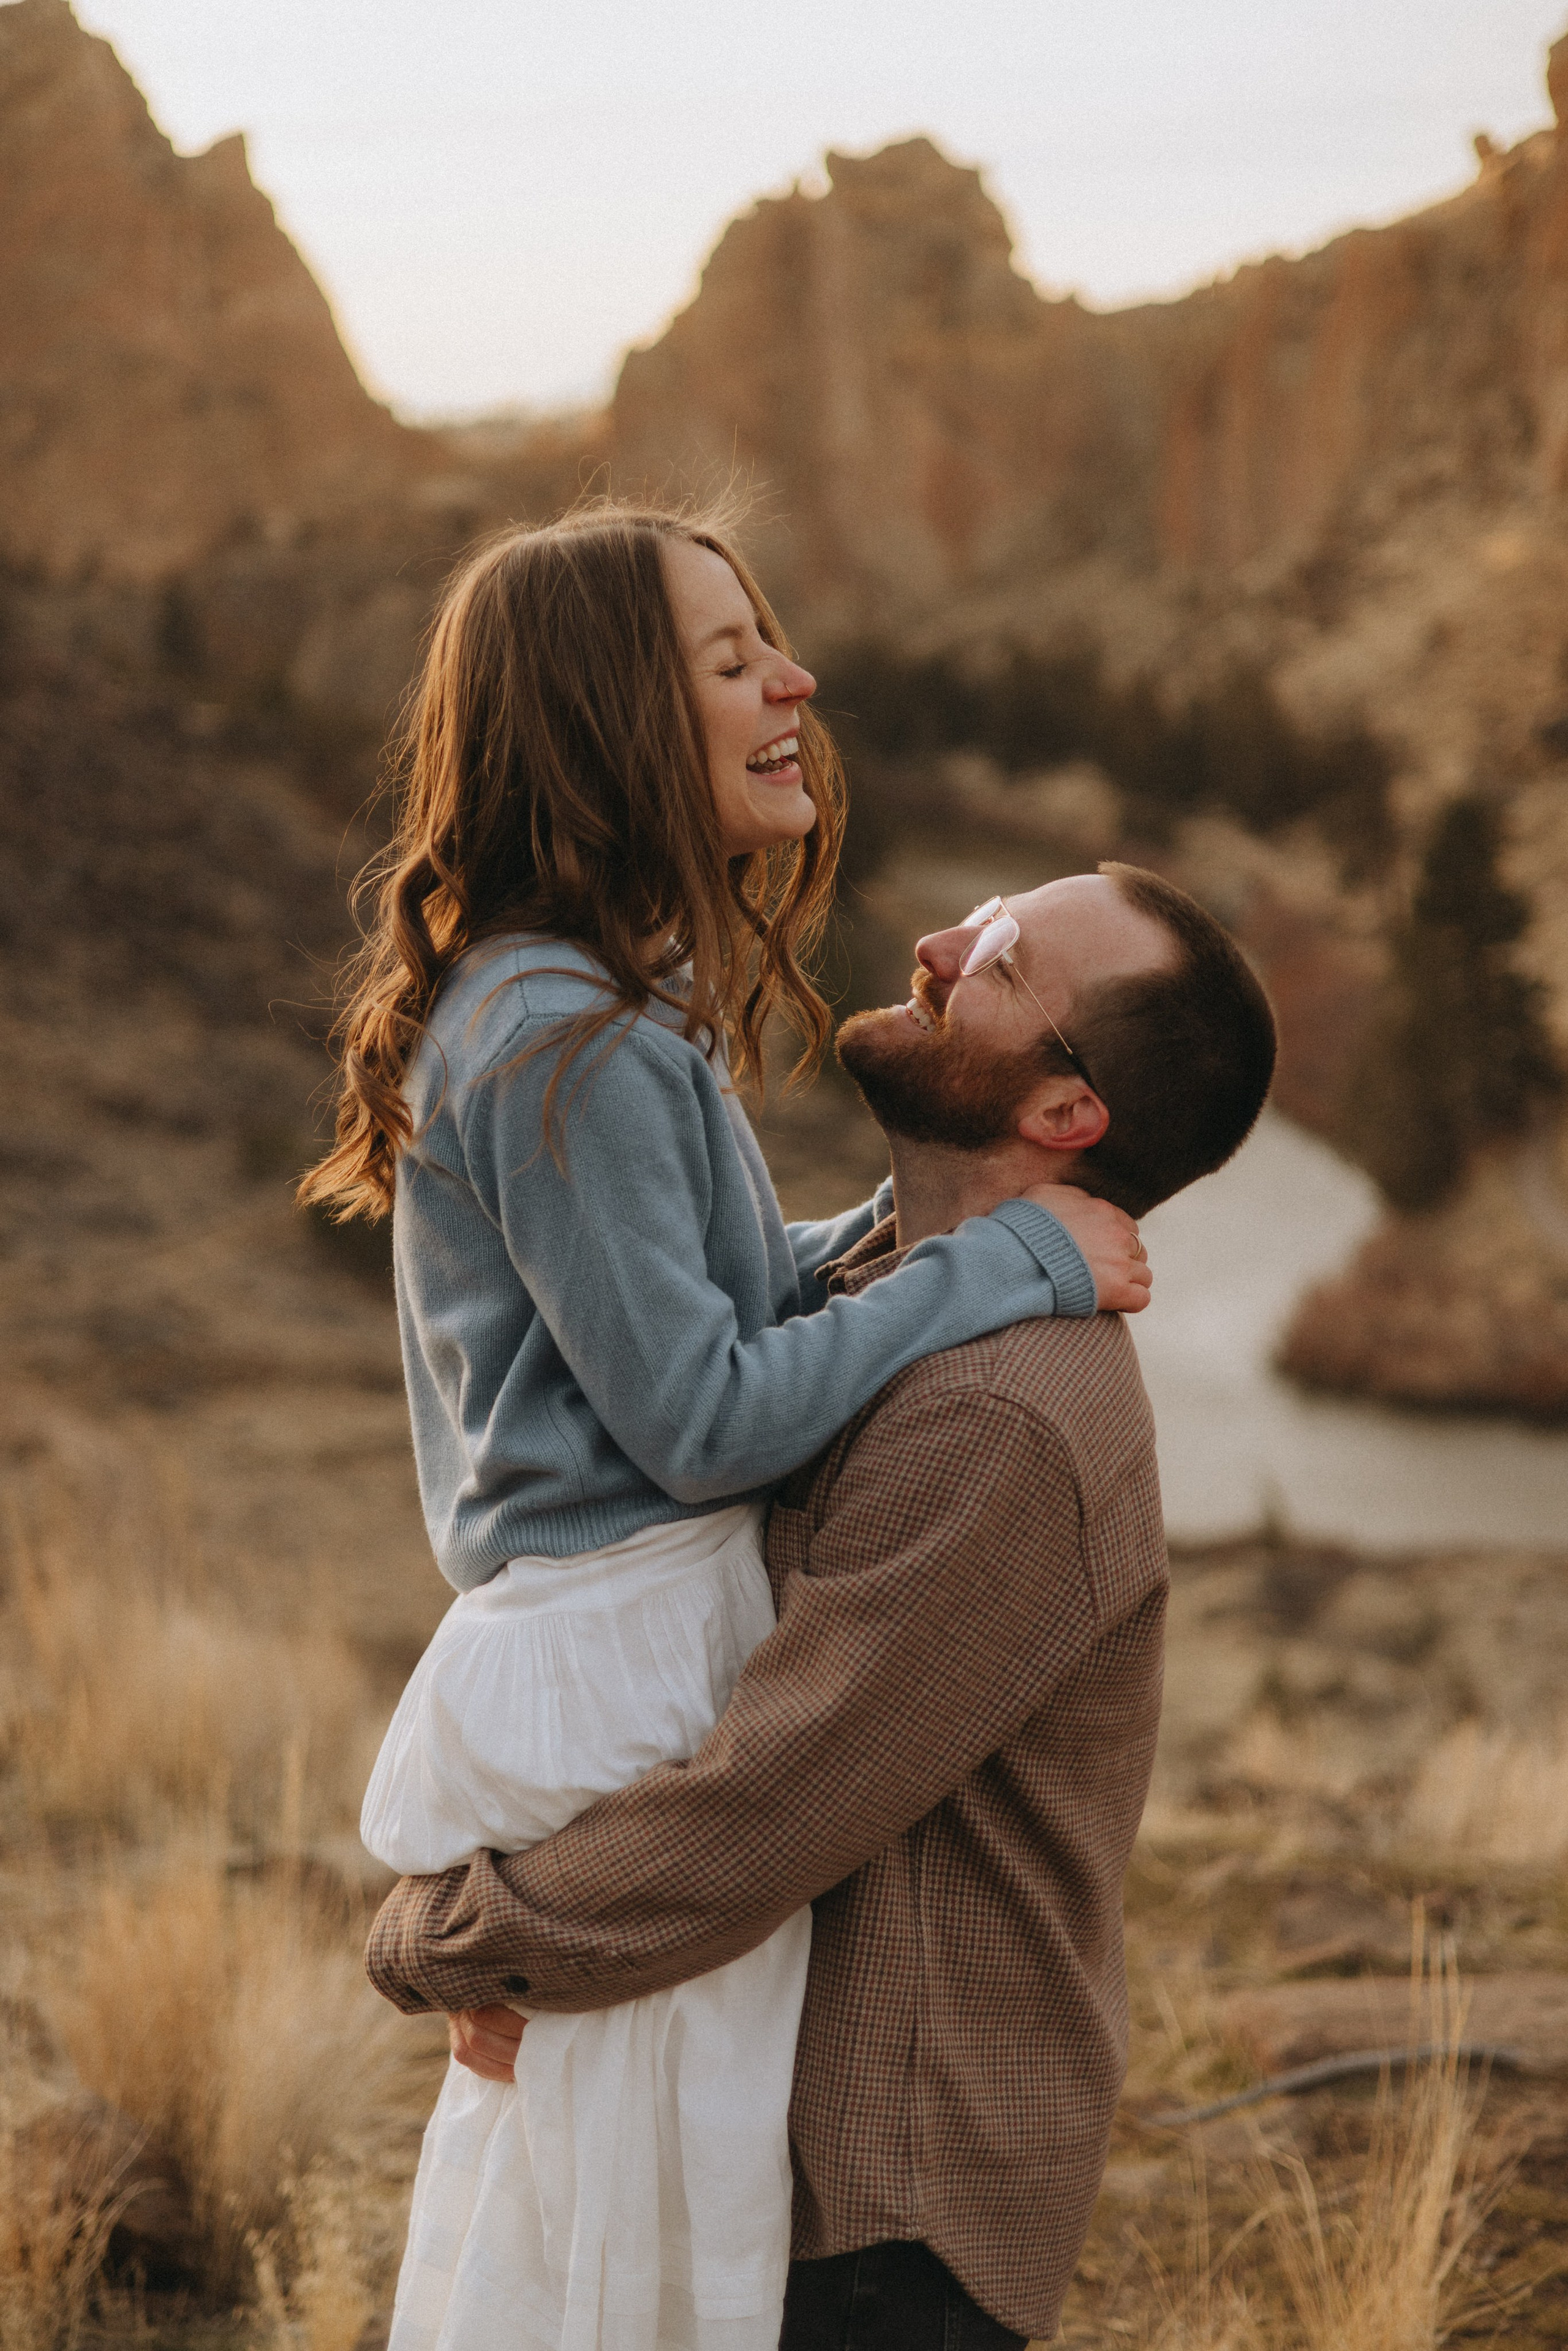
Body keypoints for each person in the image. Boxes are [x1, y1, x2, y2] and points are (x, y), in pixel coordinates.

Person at [300, 501, 1150, 2351]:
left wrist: (889, 1239)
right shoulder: (561, 1031)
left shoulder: (593, 1007)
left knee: (622, 2189)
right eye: (732, 653)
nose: (796, 677)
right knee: (634, 2224)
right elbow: (694, 1410)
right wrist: (993, 1255)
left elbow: (692, 1299)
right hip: (619, 1634)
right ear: (617, 717)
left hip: (625, 1624)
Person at [363, 864, 1278, 2350]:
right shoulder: (878, 1289)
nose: (935, 941)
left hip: (878, 2209)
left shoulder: (1007, 1408)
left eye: (995, 954)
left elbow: (764, 1800)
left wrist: (445, 1935)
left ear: (1064, 1114)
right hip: (749, 2138)